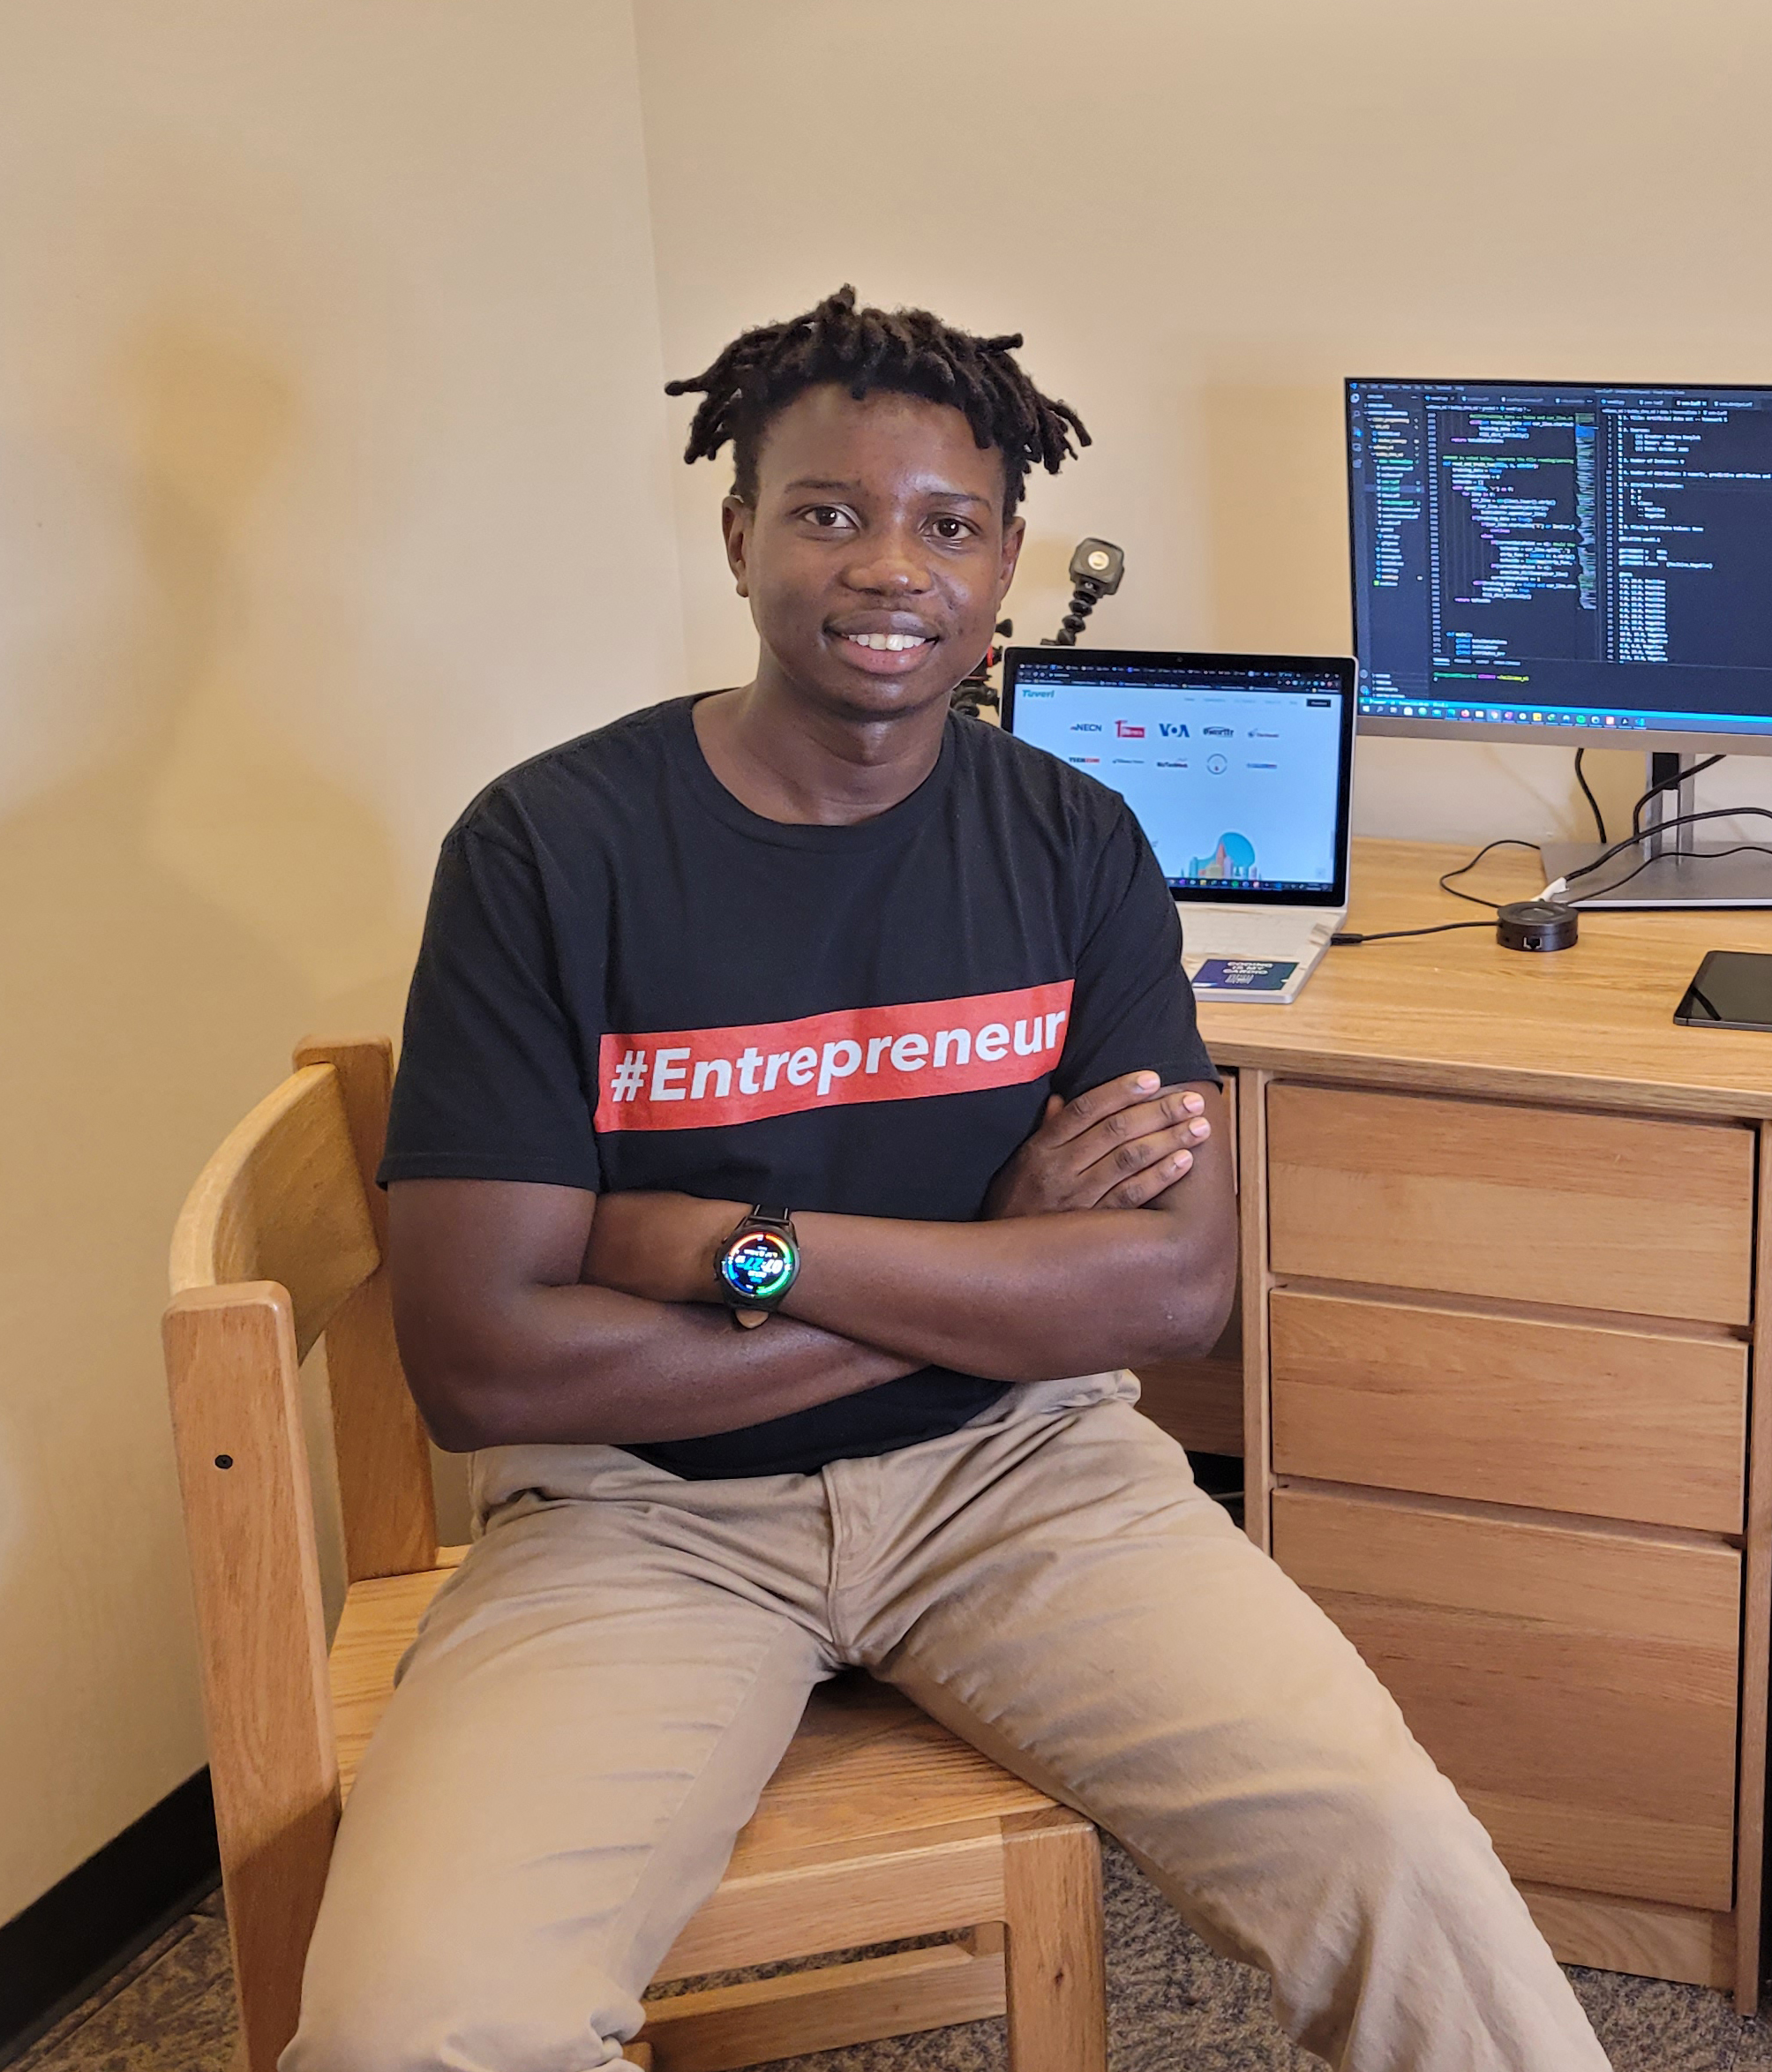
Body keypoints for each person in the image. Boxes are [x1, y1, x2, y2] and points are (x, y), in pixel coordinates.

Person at [287, 287, 1612, 2072]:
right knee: (411, 2035)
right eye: (829, 512)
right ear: (738, 533)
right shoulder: (548, 849)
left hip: (1023, 1467)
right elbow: (484, 1368)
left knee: (1402, 1863)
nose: (890, 566)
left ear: (1002, 567)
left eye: (948, 524)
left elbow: (1169, 1292)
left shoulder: (1074, 841)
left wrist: (739, 1249)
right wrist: (991, 1261)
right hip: (642, 1519)